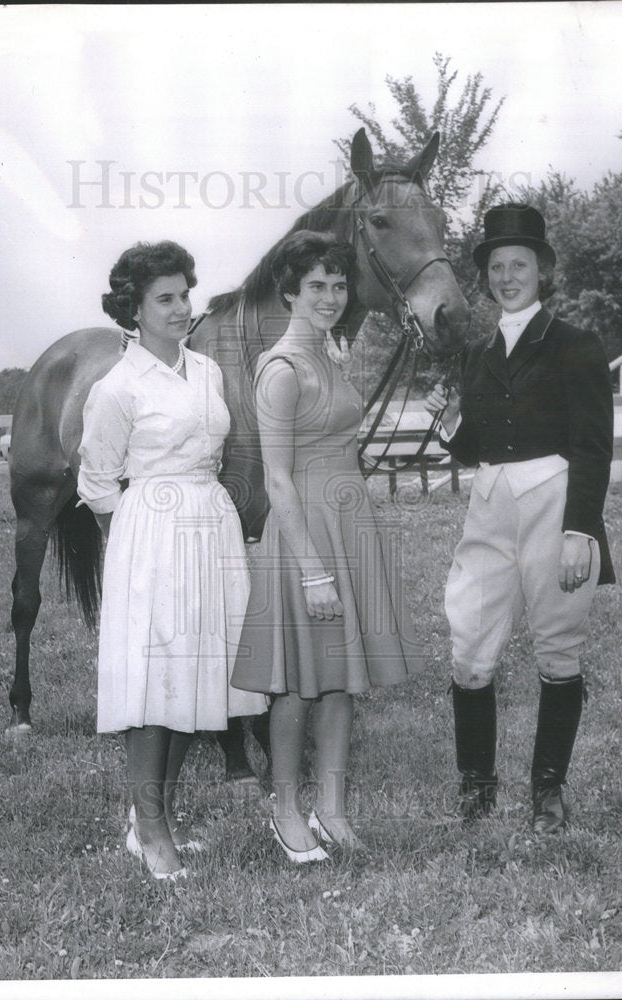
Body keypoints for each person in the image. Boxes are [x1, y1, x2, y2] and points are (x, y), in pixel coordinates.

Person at [231, 230, 423, 862]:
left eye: (339, 285)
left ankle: (331, 807)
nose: (331, 297)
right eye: (316, 286)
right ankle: (285, 810)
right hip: (304, 534)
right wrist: (313, 572)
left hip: (350, 525)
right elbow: (276, 476)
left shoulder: (331, 355)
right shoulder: (280, 368)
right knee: (296, 683)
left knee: (340, 680)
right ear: (289, 292)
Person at [77, 241, 267, 880]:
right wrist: (137, 548)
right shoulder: (117, 387)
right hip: (152, 537)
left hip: (210, 526)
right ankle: (151, 828)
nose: (183, 307)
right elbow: (98, 482)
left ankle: (146, 819)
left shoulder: (207, 370)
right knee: (153, 683)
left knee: (196, 679)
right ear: (133, 309)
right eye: (166, 298)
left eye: (186, 293)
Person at [424, 203, 614, 834]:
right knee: (470, 649)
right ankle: (476, 787)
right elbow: (476, 447)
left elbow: (592, 445)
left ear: (542, 270)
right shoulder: (476, 355)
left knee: (558, 651)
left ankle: (548, 792)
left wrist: (580, 530)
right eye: (497, 267)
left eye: (520, 265)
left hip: (555, 504)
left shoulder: (575, 346)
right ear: (487, 277)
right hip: (489, 506)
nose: (508, 276)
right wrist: (449, 423)